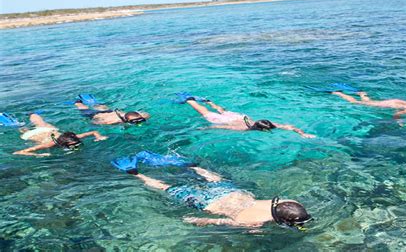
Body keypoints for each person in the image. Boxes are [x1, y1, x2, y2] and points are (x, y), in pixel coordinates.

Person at [112, 151, 313, 229]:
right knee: (167, 188)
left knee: (214, 178)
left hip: (231, 192)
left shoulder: (291, 202)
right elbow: (217, 220)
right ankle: (135, 173)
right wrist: (197, 220)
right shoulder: (253, 222)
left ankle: (191, 166)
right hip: (207, 203)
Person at [176, 93, 315, 138]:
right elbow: (220, 127)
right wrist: (204, 129)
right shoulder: (243, 129)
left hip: (239, 117)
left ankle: (209, 101)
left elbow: (290, 127)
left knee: (222, 110)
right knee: (204, 112)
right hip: (230, 120)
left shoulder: (264, 124)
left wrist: (303, 133)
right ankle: (189, 100)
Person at [13, 113, 108, 157]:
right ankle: (18, 125)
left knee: (41, 122)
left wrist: (99, 136)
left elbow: (93, 132)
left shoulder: (73, 138)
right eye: (73, 145)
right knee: (24, 130)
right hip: (34, 134)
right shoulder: (50, 144)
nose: (76, 146)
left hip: (50, 130)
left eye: (77, 144)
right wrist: (38, 155)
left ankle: (31, 113)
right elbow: (19, 152)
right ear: (63, 144)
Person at [74, 100, 150, 125]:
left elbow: (146, 114)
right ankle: (78, 102)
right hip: (94, 114)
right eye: (134, 122)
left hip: (110, 112)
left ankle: (96, 103)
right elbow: (95, 122)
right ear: (126, 120)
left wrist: (142, 118)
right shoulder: (113, 121)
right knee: (84, 109)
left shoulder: (142, 116)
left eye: (140, 120)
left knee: (102, 107)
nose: (138, 123)